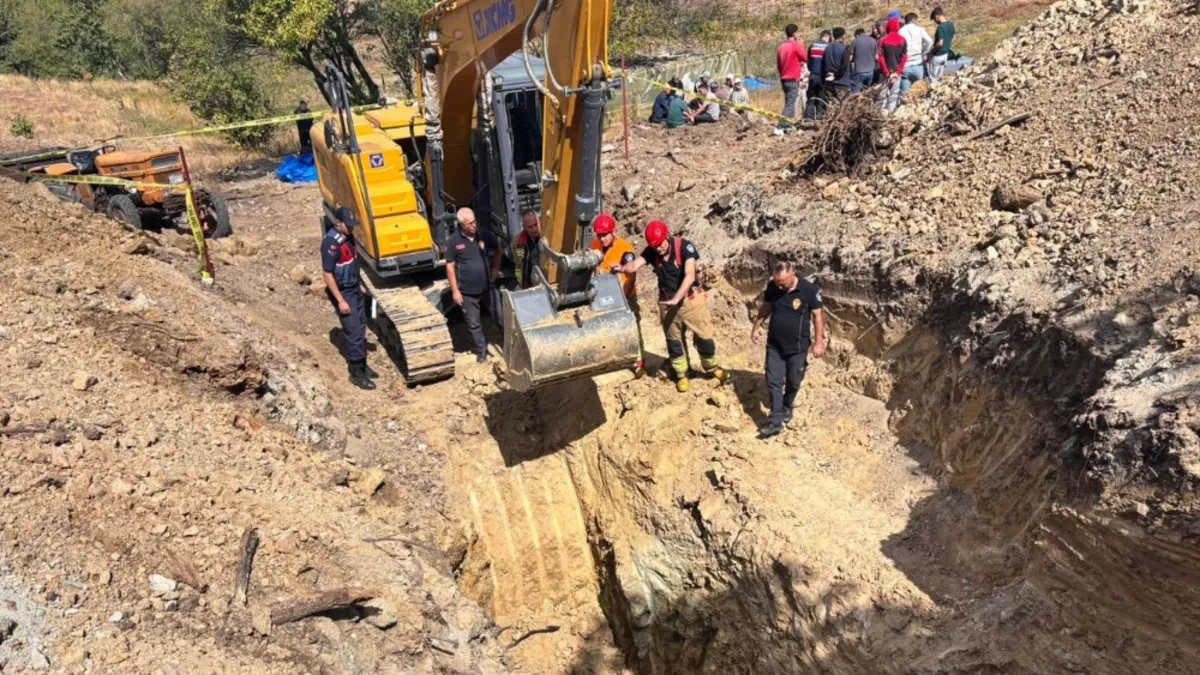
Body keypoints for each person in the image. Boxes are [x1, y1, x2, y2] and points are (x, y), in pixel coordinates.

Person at [612, 220, 729, 393]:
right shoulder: (652, 251)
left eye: (660, 244)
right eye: (654, 246)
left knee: (704, 337)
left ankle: (712, 368)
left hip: (690, 300)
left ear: (666, 237)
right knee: (674, 342)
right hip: (667, 303)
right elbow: (636, 264)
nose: (658, 248)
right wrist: (623, 268)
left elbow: (689, 275)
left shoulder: (684, 247)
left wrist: (677, 298)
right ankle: (682, 374)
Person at [750, 261, 826, 438]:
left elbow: (817, 316)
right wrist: (756, 327)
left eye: (783, 283)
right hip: (775, 345)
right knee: (773, 381)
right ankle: (775, 421)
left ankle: (787, 405)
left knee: (793, 380)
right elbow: (766, 307)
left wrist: (819, 342)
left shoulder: (809, 290)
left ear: (794, 275)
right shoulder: (773, 287)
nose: (779, 286)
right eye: (777, 282)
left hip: (798, 347)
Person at [321, 207, 377, 390]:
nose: (352, 228)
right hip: (344, 292)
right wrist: (340, 300)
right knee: (353, 332)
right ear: (338, 223)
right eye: (349, 225)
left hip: (354, 288)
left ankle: (362, 365)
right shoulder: (331, 243)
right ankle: (356, 373)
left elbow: (352, 263)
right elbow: (327, 274)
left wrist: (359, 284)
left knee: (361, 326)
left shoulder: (348, 237)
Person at [591, 214, 645, 378]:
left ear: (612, 232)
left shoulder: (625, 249)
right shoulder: (595, 245)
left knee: (633, 326)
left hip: (624, 294)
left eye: (605, 235)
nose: (602, 238)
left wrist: (627, 295)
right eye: (599, 235)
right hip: (604, 295)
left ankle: (639, 362)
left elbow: (632, 275)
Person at [446, 207, 503, 363]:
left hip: (488, 288)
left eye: (474, 222)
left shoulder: (483, 234)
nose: (473, 226)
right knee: (474, 324)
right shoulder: (454, 241)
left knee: (501, 316)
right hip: (468, 292)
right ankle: (482, 350)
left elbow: (498, 249)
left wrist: (496, 269)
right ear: (461, 226)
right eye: (469, 224)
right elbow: (450, 266)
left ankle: (508, 343)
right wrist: (455, 291)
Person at [775, 23, 807, 133]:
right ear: (794, 34)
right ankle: (780, 126)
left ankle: (788, 124)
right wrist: (801, 45)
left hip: (783, 78)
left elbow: (778, 65)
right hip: (792, 78)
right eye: (798, 32)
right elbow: (805, 57)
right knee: (790, 103)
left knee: (789, 101)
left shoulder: (781, 47)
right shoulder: (795, 45)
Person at [876, 18, 908, 112]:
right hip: (896, 74)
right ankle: (890, 114)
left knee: (881, 95)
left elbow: (881, 58)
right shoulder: (903, 40)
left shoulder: (883, 40)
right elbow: (904, 58)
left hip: (884, 73)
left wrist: (886, 73)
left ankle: (879, 114)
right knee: (894, 95)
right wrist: (897, 73)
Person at [898, 13, 933, 95]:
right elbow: (930, 41)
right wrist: (924, 52)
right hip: (918, 64)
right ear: (914, 20)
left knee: (905, 94)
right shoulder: (920, 29)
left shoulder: (900, 32)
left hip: (905, 66)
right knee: (919, 93)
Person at [803, 30, 831, 121]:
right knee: (821, 97)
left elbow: (808, 59)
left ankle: (808, 117)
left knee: (811, 96)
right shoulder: (828, 47)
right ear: (828, 37)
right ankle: (820, 117)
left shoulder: (813, 45)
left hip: (813, 74)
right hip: (822, 76)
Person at [512, 211, 542, 289]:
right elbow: (518, 265)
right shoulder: (519, 242)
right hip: (530, 285)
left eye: (536, 224)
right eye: (530, 227)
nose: (534, 229)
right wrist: (520, 283)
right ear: (524, 227)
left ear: (539, 221)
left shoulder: (546, 238)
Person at [821, 27, 850, 104]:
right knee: (842, 107)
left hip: (829, 82)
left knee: (830, 106)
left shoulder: (827, 48)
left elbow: (823, 64)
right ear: (842, 36)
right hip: (842, 82)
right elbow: (844, 65)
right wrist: (836, 76)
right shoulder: (844, 48)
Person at [927, 7, 956, 82]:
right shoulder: (951, 24)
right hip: (945, 55)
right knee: (939, 76)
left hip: (937, 55)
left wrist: (932, 51)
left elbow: (940, 43)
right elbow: (954, 38)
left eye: (934, 20)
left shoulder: (940, 27)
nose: (935, 22)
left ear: (937, 17)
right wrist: (947, 46)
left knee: (932, 77)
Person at [848, 27, 877, 93]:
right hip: (870, 71)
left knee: (855, 93)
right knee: (866, 92)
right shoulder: (873, 40)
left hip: (859, 71)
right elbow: (876, 56)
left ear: (856, 35)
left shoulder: (855, 41)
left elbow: (850, 58)